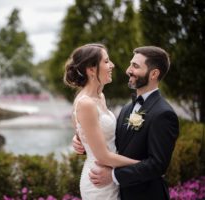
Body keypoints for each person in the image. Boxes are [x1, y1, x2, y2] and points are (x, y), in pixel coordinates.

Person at [72, 46, 179, 200]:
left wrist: (114, 175)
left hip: (145, 195)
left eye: (135, 66)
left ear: (154, 74)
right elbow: (109, 140)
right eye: (131, 64)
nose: (128, 70)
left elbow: (158, 166)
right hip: (111, 189)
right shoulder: (127, 108)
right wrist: (80, 139)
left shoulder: (164, 114)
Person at [64, 43, 140, 200]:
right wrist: (143, 165)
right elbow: (103, 156)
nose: (112, 65)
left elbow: (86, 134)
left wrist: (78, 140)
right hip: (98, 183)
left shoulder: (100, 97)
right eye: (106, 61)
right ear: (91, 69)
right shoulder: (86, 103)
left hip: (111, 176)